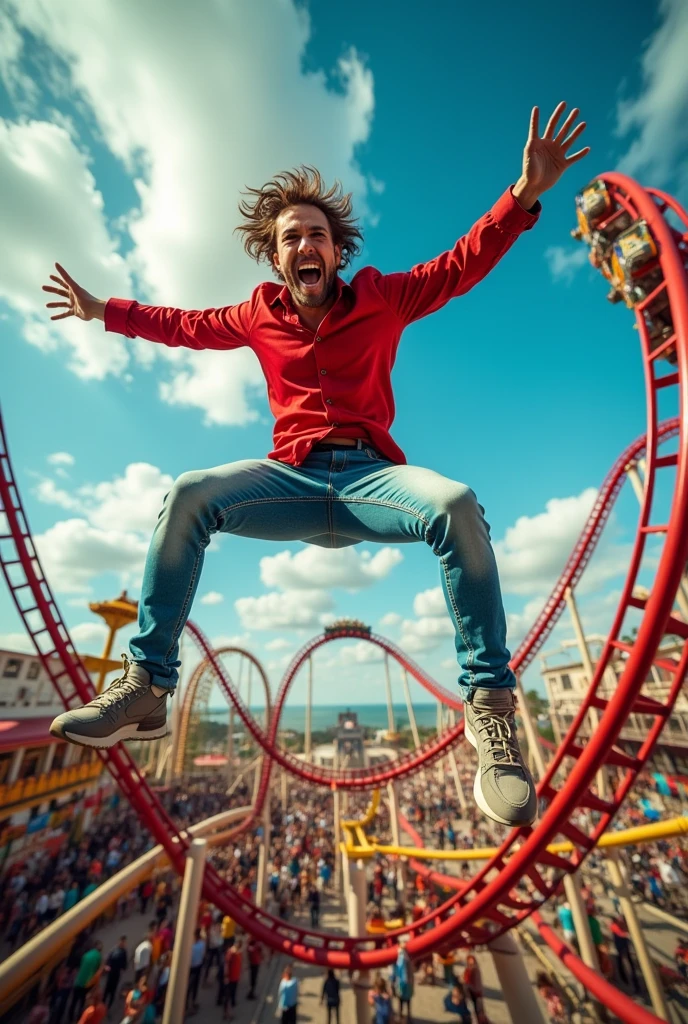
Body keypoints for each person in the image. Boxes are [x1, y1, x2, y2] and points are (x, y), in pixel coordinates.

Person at [45, 101, 590, 828]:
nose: (306, 244)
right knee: (187, 494)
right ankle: (147, 683)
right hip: (292, 485)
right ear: (276, 258)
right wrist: (101, 310)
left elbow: (462, 264)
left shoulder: (385, 298)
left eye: (318, 236)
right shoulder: (255, 313)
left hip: (372, 482)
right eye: (292, 237)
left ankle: (491, 712)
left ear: (338, 252)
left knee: (456, 502)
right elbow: (179, 326)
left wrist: (523, 195)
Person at [70, 940, 103, 1021]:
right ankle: (79, 1017)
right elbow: (97, 970)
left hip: (78, 981)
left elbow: (81, 966)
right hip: (87, 983)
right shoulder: (98, 956)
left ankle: (70, 1016)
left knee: (74, 1000)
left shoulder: (86, 954)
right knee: (82, 1002)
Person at [103, 936, 129, 1009]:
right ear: (119, 941)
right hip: (111, 973)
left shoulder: (124, 952)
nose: (123, 943)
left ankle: (108, 1006)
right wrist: (106, 966)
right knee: (106, 989)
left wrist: (122, 969)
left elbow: (124, 965)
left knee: (112, 991)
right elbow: (108, 959)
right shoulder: (114, 949)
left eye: (124, 942)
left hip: (116, 974)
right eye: (122, 941)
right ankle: (103, 1004)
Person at [393, 942, 414, 1020]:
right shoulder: (407, 958)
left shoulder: (401, 959)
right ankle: (406, 1016)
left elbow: (401, 972)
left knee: (402, 1001)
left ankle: (402, 1016)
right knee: (406, 1001)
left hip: (403, 984)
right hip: (406, 984)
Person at [187, 927, 206, 1014]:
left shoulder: (191, 946)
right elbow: (203, 955)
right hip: (198, 966)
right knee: (195, 986)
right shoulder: (202, 944)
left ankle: (187, 1004)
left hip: (191, 967)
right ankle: (193, 1002)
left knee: (189, 986)